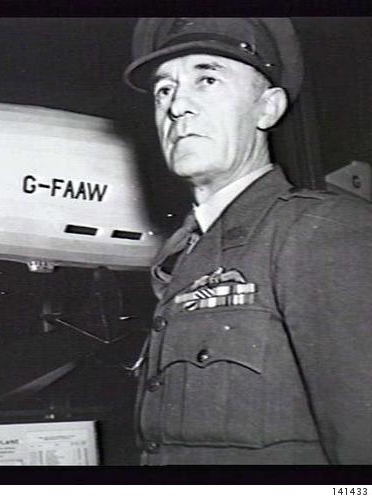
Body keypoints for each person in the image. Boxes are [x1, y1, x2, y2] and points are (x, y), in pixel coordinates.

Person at [123, 17, 372, 464]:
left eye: (208, 80)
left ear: (267, 108)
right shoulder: (183, 257)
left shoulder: (323, 232)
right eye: (165, 90)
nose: (177, 106)